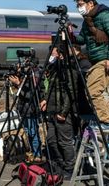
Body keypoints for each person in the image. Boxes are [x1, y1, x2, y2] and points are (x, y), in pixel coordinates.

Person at [74, 0, 109, 131]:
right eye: (77, 5)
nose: (79, 8)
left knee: (93, 90)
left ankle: (108, 121)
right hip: (96, 60)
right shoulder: (87, 19)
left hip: (106, 59)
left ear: (91, 3)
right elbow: (82, 39)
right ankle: (108, 119)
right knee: (93, 90)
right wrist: (71, 35)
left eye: (81, 4)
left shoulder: (105, 15)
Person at [40, 47, 76, 180]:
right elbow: (50, 89)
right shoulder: (54, 70)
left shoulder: (68, 70)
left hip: (62, 113)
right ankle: (60, 164)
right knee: (51, 140)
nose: (52, 54)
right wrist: (45, 100)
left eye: (54, 52)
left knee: (64, 142)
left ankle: (70, 168)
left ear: (61, 54)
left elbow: (70, 93)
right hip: (51, 110)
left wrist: (64, 112)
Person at [9, 73, 42, 162]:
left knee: (33, 133)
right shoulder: (24, 76)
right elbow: (20, 94)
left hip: (31, 110)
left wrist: (19, 84)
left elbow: (30, 95)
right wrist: (16, 84)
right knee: (28, 134)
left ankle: (37, 155)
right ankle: (33, 154)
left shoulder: (32, 76)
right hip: (23, 110)